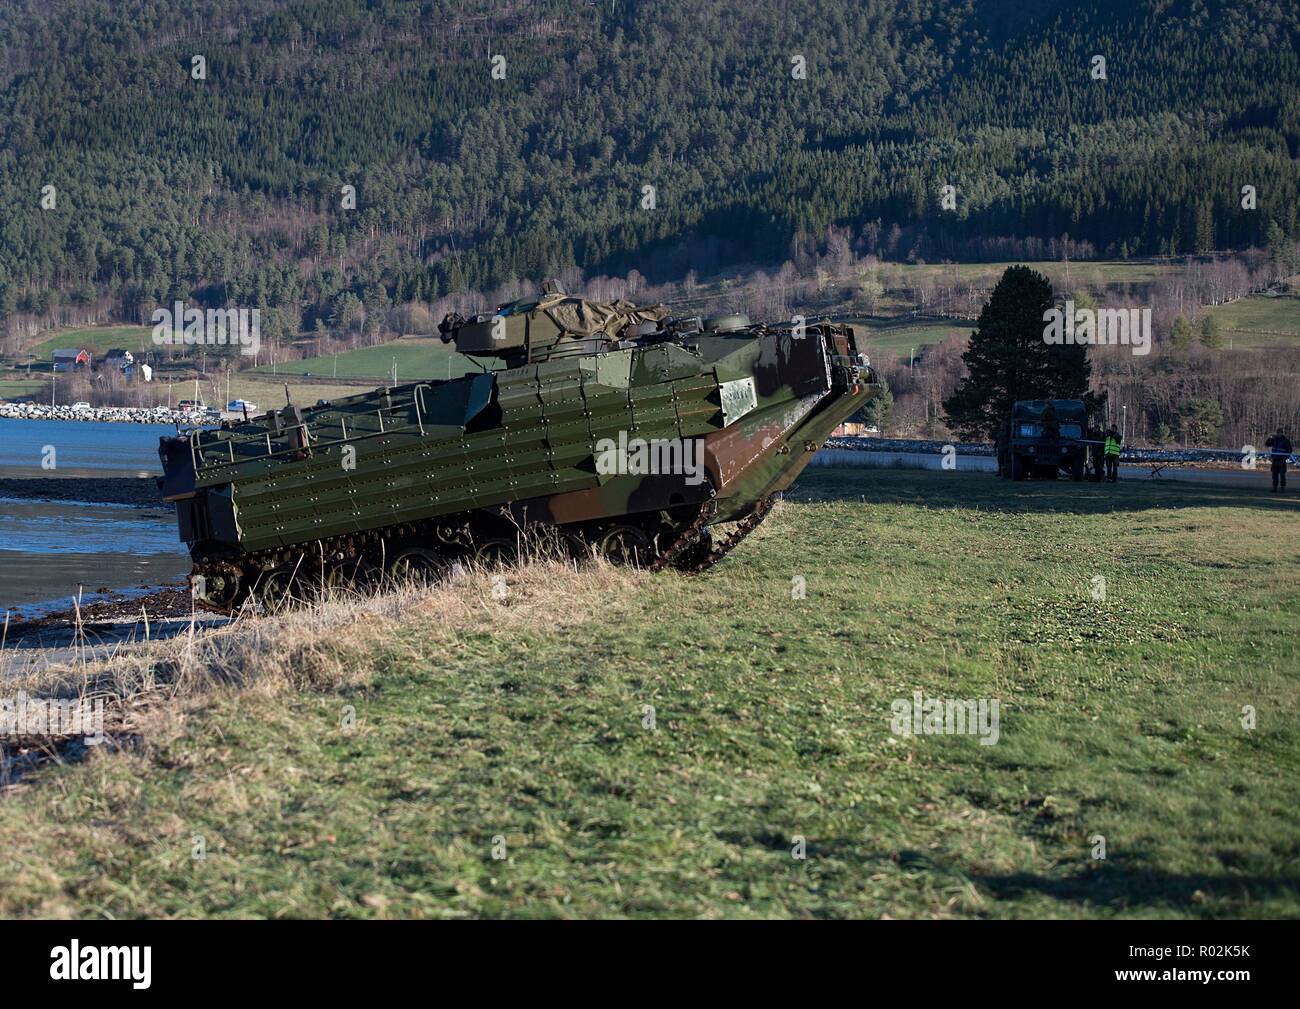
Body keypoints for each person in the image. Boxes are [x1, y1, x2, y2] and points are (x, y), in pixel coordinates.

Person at [1265, 428, 1293, 493]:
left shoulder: (1286, 441)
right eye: (1277, 433)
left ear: (1282, 433)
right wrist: (1270, 438)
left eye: (1279, 433)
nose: (1278, 434)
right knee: (1274, 475)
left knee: (1282, 475)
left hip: (1281, 460)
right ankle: (1274, 488)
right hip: (1275, 460)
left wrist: (1284, 458)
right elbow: (1267, 444)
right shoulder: (1274, 439)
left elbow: (1289, 451)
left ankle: (1282, 488)